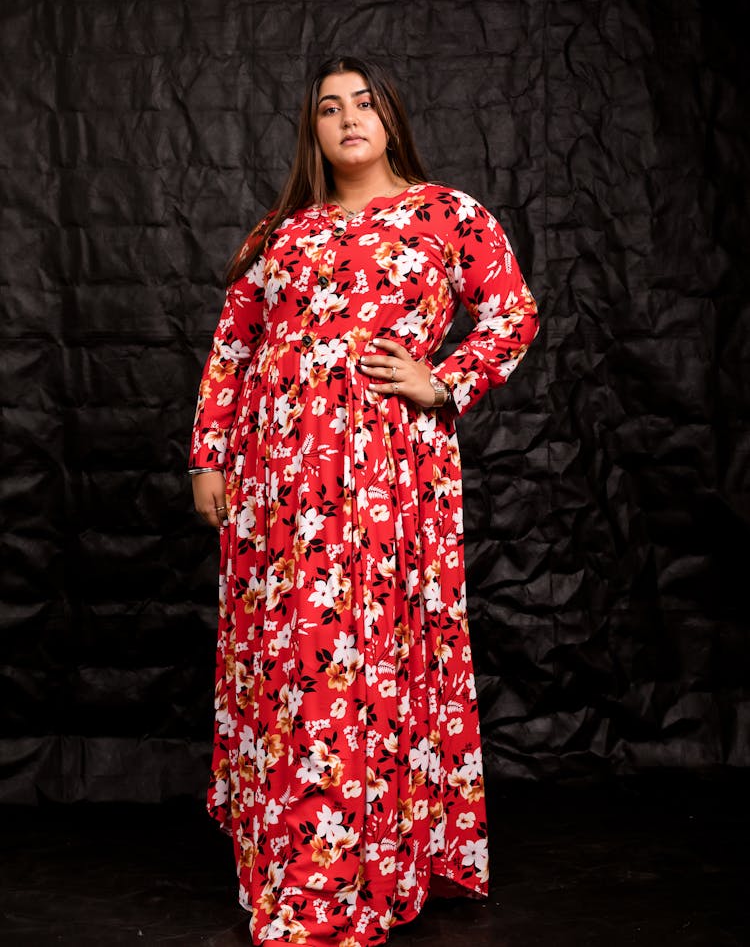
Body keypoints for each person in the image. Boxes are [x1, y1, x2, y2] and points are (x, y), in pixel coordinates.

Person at [188, 55, 539, 946]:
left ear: (391, 118)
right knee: (295, 657)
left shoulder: (446, 215)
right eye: (328, 108)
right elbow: (233, 350)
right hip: (276, 483)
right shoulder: (280, 233)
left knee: (365, 657)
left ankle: (357, 869)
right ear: (311, 131)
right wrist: (208, 458)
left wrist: (444, 379)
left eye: (365, 102)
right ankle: (296, 863)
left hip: (389, 477)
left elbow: (513, 314)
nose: (348, 118)